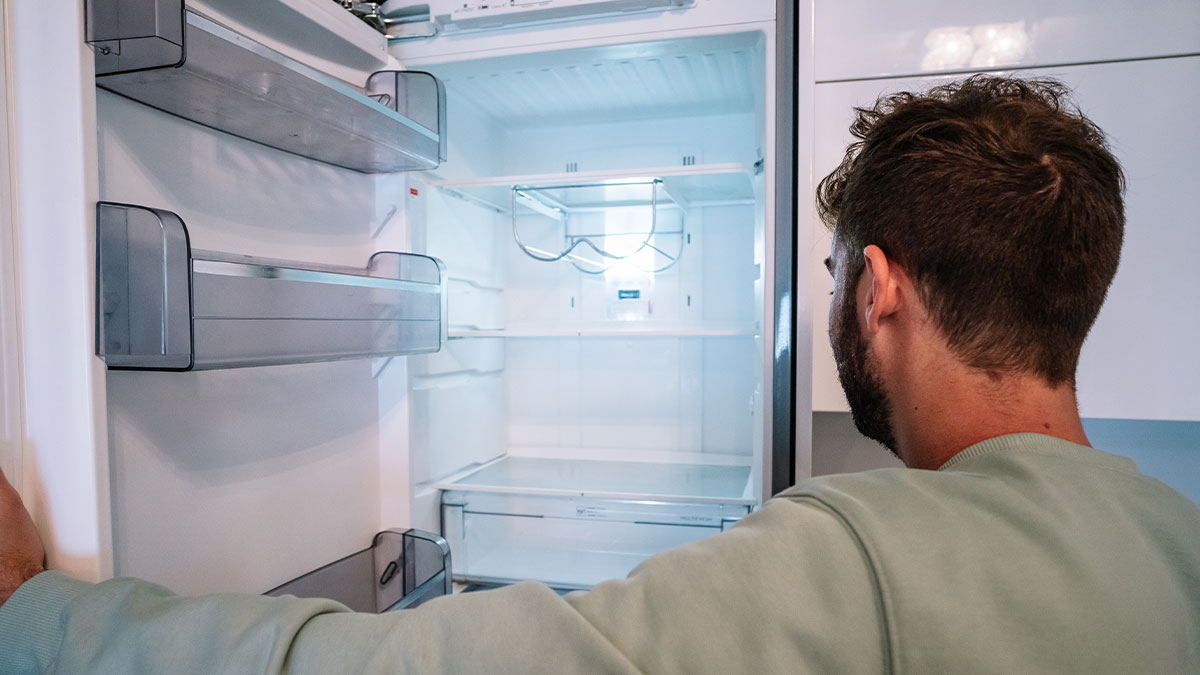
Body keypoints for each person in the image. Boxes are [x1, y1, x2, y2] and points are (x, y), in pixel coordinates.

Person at [2, 75, 1198, 673]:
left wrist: (40, 612)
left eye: (833, 272)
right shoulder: (1174, 544)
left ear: (876, 288)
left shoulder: (855, 563)